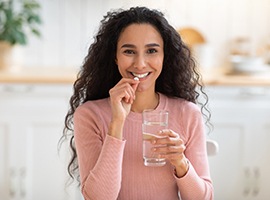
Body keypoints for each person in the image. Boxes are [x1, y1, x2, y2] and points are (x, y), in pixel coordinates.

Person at [62, 6, 213, 200]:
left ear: (164, 56)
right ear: (115, 57)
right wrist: (117, 123)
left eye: (151, 50)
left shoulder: (187, 113)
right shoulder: (90, 115)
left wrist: (181, 163)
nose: (140, 64)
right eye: (129, 51)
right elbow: (99, 198)